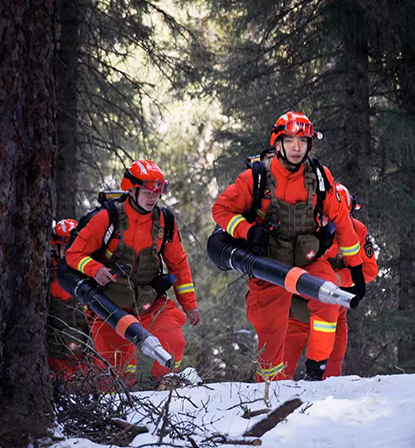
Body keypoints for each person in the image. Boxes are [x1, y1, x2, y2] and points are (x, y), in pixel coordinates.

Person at [212, 111, 365, 381]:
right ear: (278, 143)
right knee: (271, 337)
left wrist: (357, 272)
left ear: (309, 145)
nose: (297, 147)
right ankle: (268, 393)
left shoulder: (319, 176)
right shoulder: (256, 177)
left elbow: (341, 220)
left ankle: (316, 369)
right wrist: (248, 231)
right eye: (290, 140)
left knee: (328, 298)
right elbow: (221, 210)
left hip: (308, 260)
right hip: (270, 266)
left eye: (303, 141)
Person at [65, 159, 200, 383]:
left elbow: (179, 263)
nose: (153, 197)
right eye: (148, 192)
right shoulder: (107, 218)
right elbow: (73, 254)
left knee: (172, 342)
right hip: (110, 308)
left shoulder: (164, 221)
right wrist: (94, 269)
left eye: (158, 192)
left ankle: (163, 391)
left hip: (149, 302)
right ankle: (118, 411)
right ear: (132, 189)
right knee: (113, 373)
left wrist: (190, 304)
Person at [282, 184, 378, 379]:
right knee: (279, 373)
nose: (333, 220)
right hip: (298, 310)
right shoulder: (307, 226)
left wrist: (340, 277)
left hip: (336, 311)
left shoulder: (358, 232)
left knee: (332, 375)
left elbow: (369, 270)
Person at [47, 219, 91, 383]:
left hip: (81, 347)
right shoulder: (46, 271)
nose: (69, 251)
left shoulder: (86, 270)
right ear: (55, 246)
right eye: (65, 246)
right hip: (55, 349)